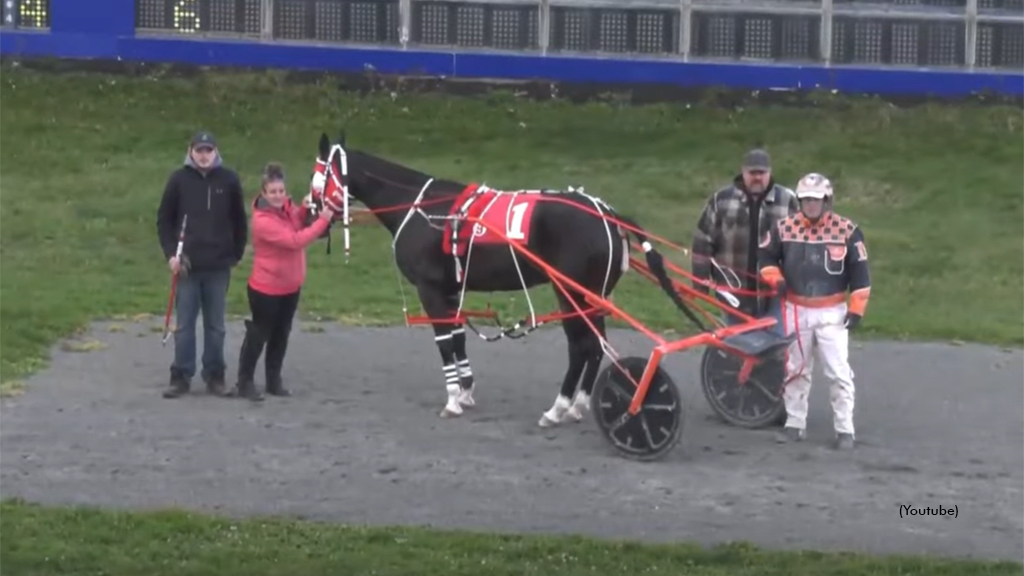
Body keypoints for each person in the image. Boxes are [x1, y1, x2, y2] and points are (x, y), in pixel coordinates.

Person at [757, 172, 871, 450]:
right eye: (806, 200)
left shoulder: (848, 230)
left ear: (827, 201)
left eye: (816, 200)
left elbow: (860, 273)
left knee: (838, 373)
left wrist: (857, 309)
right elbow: (765, 257)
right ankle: (795, 424)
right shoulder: (784, 228)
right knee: (796, 370)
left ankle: (845, 430)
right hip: (795, 309)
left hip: (832, 313)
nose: (810, 205)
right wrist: (776, 279)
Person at [227, 162, 342, 401]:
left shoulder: (288, 208)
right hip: (265, 289)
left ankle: (273, 380)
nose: (278, 196)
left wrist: (304, 210)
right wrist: (323, 220)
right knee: (259, 335)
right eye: (273, 192)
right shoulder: (263, 221)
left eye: (281, 191)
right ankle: (244, 381)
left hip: (290, 286)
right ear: (264, 193)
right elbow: (294, 241)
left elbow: (298, 222)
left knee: (281, 334)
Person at [157, 130, 248, 399]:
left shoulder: (229, 180)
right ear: (191, 151)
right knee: (184, 324)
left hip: (218, 266)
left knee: (216, 326)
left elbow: (239, 220)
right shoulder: (178, 180)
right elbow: (164, 221)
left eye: (209, 150)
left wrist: (237, 254)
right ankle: (181, 376)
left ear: (216, 152)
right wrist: (171, 254)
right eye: (200, 150)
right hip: (187, 266)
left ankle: (215, 376)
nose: (204, 155)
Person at [690, 148, 799, 333]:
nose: (757, 178)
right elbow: (703, 241)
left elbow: (802, 246)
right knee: (738, 349)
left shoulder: (787, 201)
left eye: (762, 173)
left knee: (776, 348)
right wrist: (700, 284)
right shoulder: (721, 201)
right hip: (733, 293)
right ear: (743, 172)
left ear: (770, 172)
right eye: (752, 173)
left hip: (776, 294)